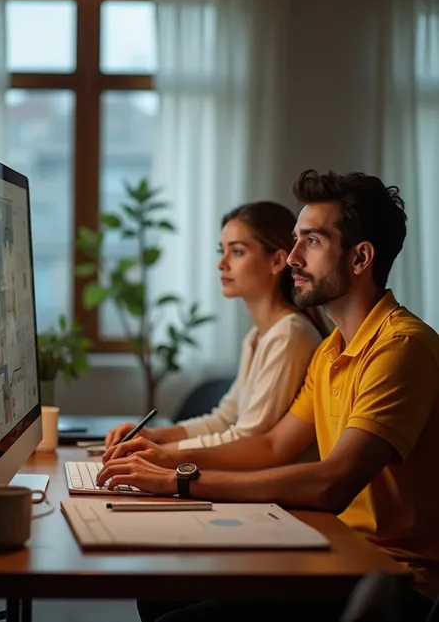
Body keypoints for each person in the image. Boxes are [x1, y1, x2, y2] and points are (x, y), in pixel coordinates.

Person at [97, 170, 439, 622]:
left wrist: (180, 480)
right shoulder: (332, 349)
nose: (292, 258)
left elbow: (330, 483)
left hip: (394, 582)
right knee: (159, 594)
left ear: (360, 258)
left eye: (312, 242)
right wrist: (164, 461)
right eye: (295, 240)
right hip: (338, 550)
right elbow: (274, 446)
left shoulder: (401, 348)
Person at [105, 201, 327, 453]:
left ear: (277, 261)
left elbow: (248, 437)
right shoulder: (257, 336)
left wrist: (161, 452)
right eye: (221, 250)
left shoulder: (289, 334)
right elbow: (224, 419)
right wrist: (151, 436)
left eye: (237, 252)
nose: (221, 264)